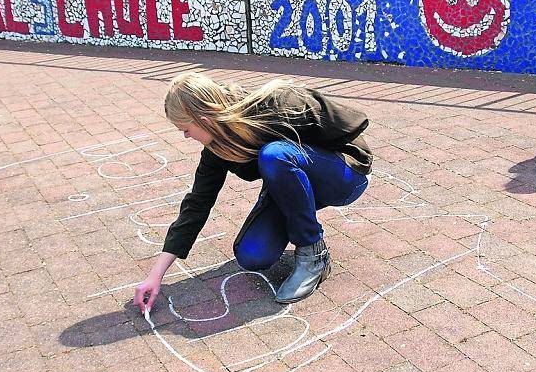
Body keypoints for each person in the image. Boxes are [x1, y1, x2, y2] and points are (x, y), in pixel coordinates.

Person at [133, 72, 372, 313]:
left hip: (344, 176)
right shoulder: (217, 148)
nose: (186, 136)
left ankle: (313, 253)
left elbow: (351, 122)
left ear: (204, 120)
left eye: (185, 129)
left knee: (274, 155)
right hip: (293, 187)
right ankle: (296, 218)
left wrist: (312, 160)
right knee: (252, 255)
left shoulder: (276, 104)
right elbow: (197, 203)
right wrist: (156, 274)